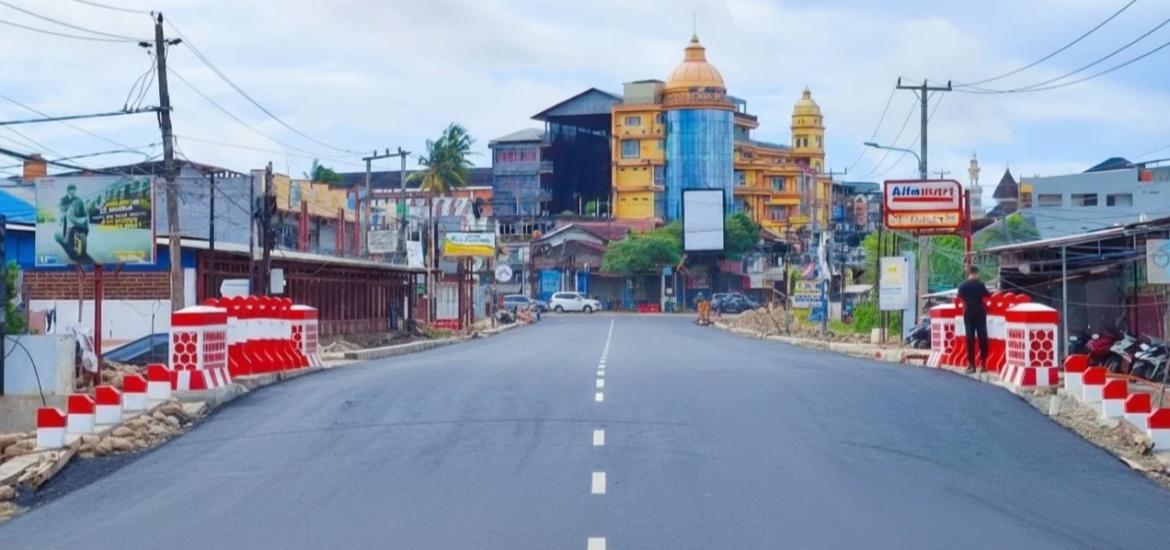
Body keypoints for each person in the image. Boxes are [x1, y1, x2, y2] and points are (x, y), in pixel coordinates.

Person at [957, 265, 991, 374]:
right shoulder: (980, 285)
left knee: (970, 339)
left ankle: (971, 365)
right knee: (982, 337)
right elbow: (988, 295)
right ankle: (984, 364)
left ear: (968, 273)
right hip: (980, 313)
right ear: (976, 274)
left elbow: (959, 297)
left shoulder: (963, 286)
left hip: (968, 314)